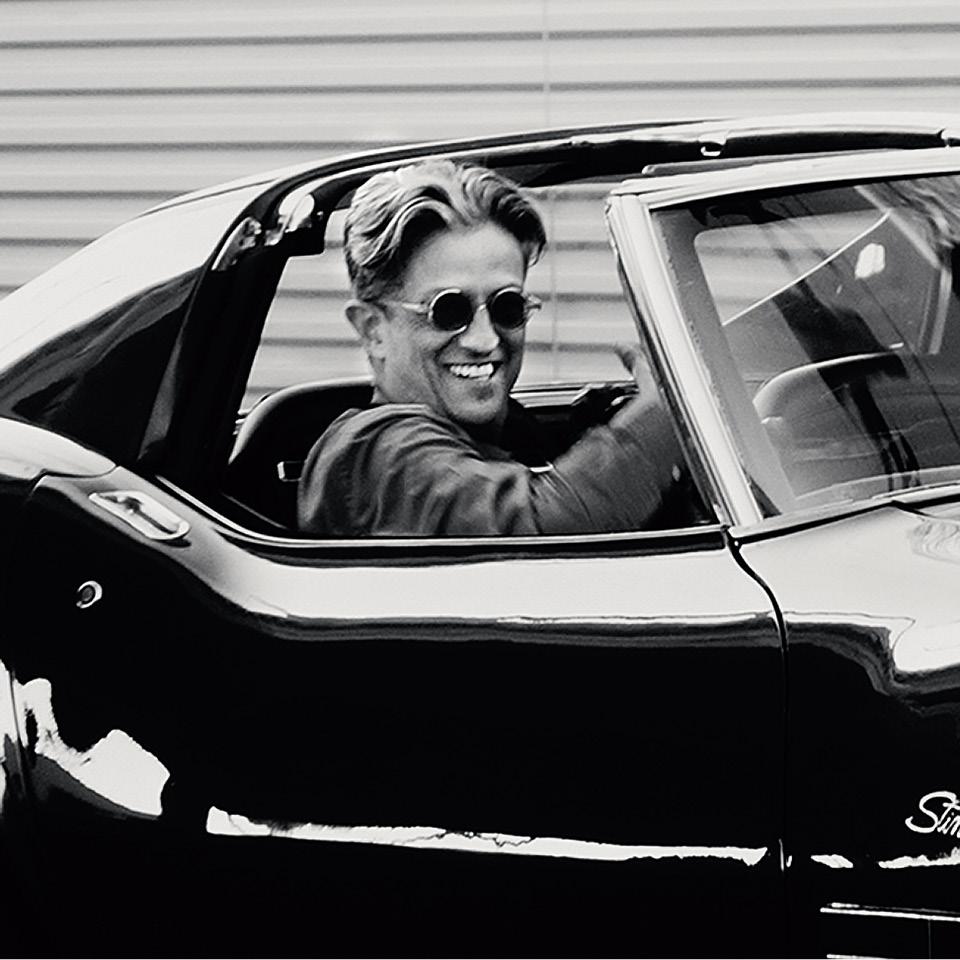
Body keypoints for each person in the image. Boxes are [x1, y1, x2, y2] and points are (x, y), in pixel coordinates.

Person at [297, 159, 687, 537]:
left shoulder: (504, 433)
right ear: (373, 331)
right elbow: (546, 527)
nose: (484, 340)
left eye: (507, 306)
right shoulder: (379, 455)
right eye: (448, 310)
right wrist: (669, 408)